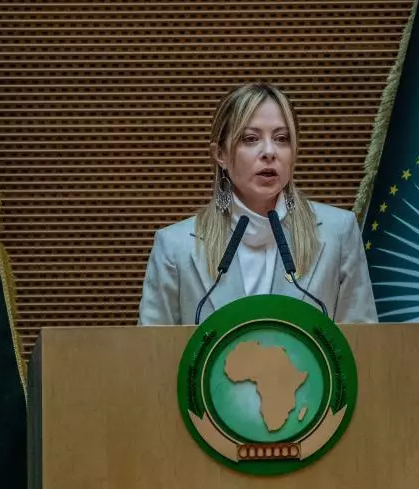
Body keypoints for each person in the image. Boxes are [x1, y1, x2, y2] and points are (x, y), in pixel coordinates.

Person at [138, 82, 377, 326]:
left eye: (282, 138)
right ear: (220, 155)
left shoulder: (338, 233)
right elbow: (153, 348)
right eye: (250, 139)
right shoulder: (175, 247)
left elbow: (363, 342)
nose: (269, 152)